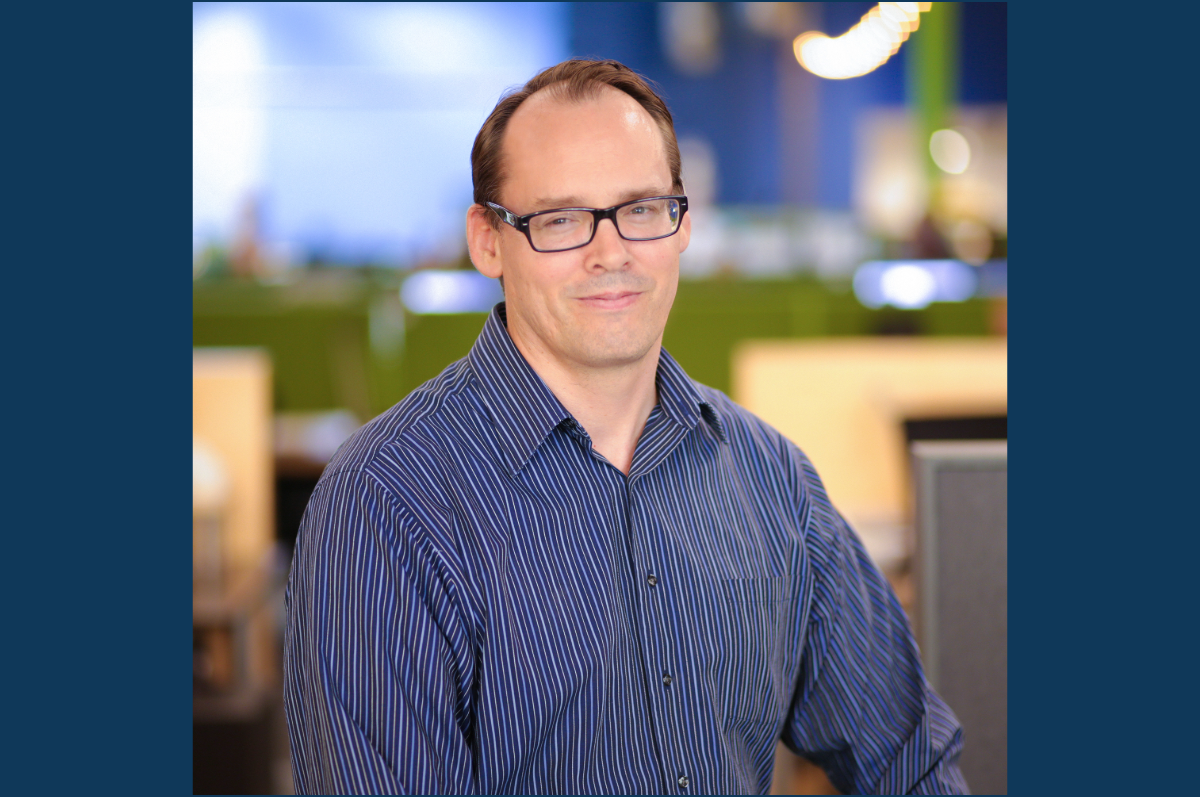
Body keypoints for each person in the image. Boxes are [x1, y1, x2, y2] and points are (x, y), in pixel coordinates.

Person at [284, 58, 967, 795]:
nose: (610, 253)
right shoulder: (383, 501)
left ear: (683, 223)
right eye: (561, 219)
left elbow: (911, 760)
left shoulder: (771, 478)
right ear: (487, 240)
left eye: (641, 209)